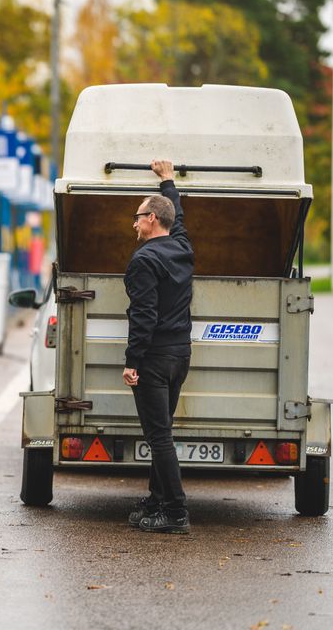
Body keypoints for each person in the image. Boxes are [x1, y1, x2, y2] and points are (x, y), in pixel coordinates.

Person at [123, 159, 194, 534]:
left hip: (153, 360)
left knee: (158, 436)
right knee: (162, 430)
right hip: (180, 355)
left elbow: (144, 317)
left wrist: (132, 361)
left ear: (151, 218)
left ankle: (175, 510)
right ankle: (156, 498)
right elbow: (177, 217)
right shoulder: (182, 247)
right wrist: (168, 181)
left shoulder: (144, 260)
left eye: (137, 217)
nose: (133, 223)